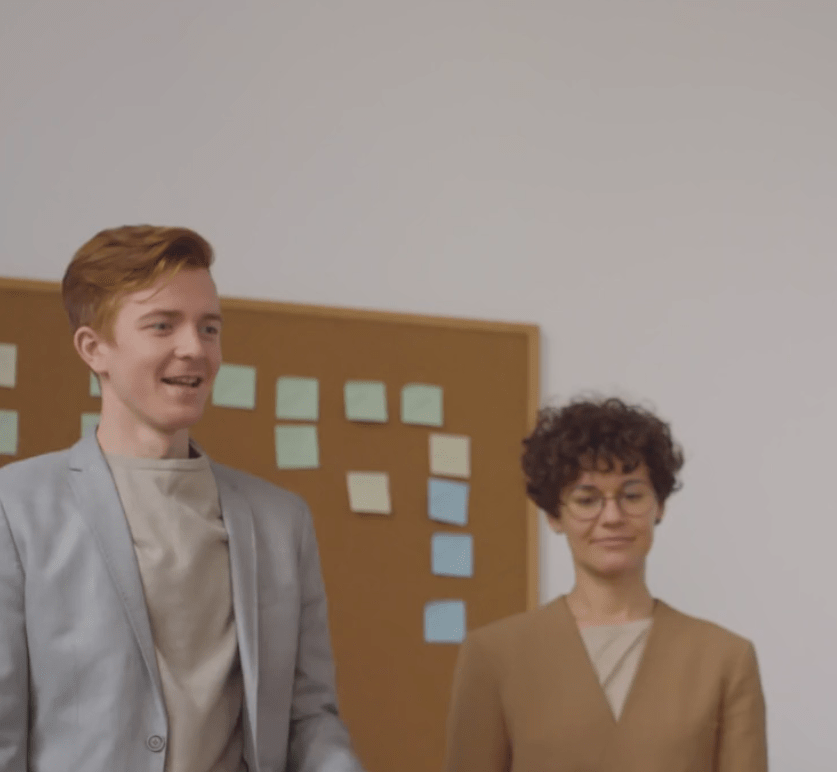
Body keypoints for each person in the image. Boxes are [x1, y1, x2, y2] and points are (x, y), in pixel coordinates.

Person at [0, 226, 364, 772]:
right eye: (162, 325)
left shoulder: (281, 521)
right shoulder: (16, 509)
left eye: (209, 327)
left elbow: (308, 718)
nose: (195, 348)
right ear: (94, 348)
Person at [442, 397, 768, 772]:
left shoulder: (725, 660)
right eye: (587, 499)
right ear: (554, 515)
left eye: (632, 496)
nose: (612, 516)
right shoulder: (492, 656)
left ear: (659, 506)